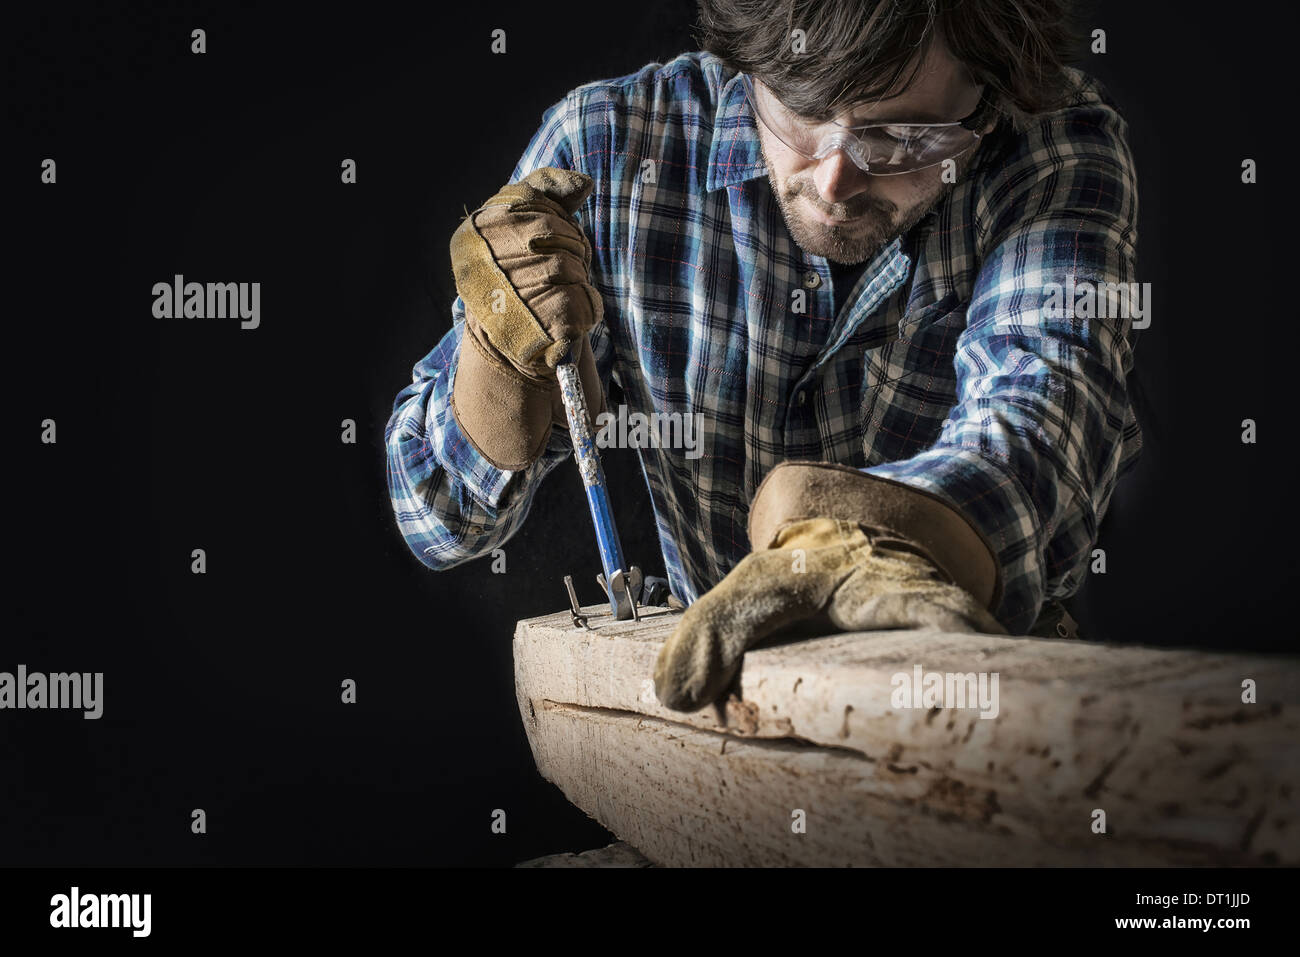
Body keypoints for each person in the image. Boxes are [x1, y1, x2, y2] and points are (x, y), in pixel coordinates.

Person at [385, 0, 1142, 712]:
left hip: (971, 700)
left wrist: (886, 537)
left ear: (986, 99)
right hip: (716, 705)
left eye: (902, 137)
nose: (836, 179)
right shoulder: (608, 151)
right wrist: (498, 370)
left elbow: (1044, 419)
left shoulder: (1049, 145)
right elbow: (434, 521)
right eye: (804, 112)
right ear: (749, 62)